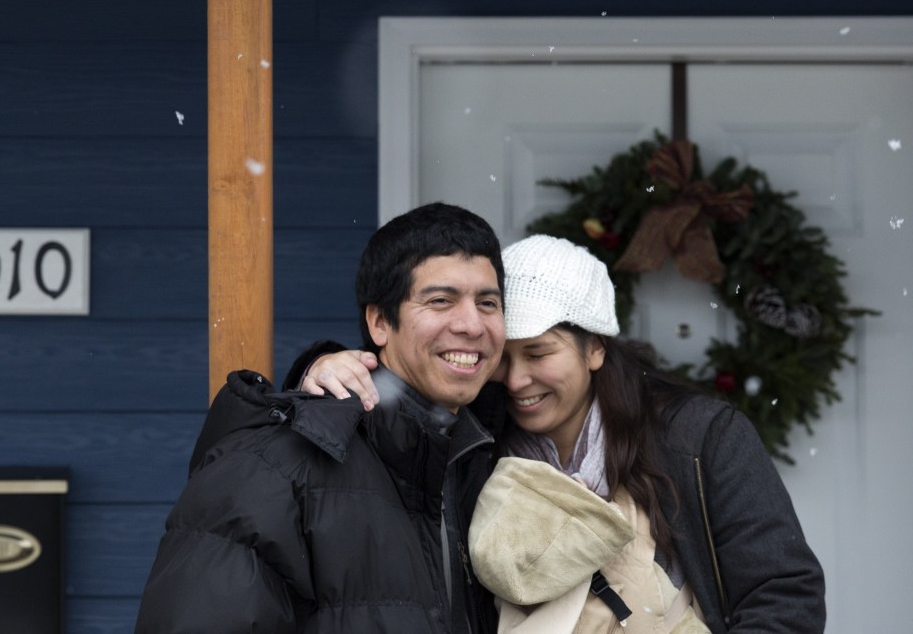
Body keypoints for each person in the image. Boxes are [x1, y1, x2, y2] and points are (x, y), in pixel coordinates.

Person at [300, 234, 826, 634]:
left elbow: (783, 592)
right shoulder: (473, 438)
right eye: (503, 357)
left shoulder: (697, 436)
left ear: (594, 348)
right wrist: (322, 363)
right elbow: (396, 398)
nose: (516, 379)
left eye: (539, 353)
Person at [134, 202, 505, 633]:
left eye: (488, 302)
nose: (472, 324)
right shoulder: (274, 468)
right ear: (380, 322)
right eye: (440, 300)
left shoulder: (479, 465)